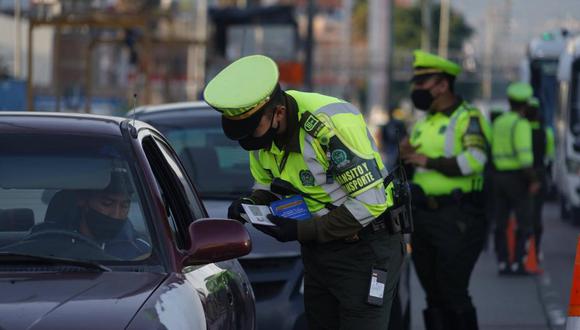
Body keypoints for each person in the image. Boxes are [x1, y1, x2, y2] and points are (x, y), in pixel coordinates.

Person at [203, 54, 405, 329]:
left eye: (252, 130)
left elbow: (370, 203)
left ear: (279, 113)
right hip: (318, 254)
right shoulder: (261, 138)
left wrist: (301, 231)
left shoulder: (329, 125)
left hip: (366, 250)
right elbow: (266, 182)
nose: (248, 140)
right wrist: (250, 203)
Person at [400, 50, 491, 330]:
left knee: (453, 290)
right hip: (423, 217)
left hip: (458, 216)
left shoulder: (468, 117)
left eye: (423, 83)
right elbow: (411, 169)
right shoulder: (423, 122)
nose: (417, 89)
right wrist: (404, 157)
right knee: (434, 294)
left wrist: (428, 160)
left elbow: (476, 160)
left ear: (442, 85)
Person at [41, 169, 151, 259]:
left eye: (124, 206)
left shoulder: (142, 252)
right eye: (107, 203)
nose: (115, 214)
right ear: (82, 200)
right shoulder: (47, 242)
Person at [491, 82, 539, 276]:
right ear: (525, 104)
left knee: (500, 223)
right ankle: (518, 262)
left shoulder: (499, 122)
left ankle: (502, 262)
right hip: (517, 179)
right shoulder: (521, 124)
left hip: (497, 177)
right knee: (524, 221)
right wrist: (534, 180)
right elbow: (525, 158)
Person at [524, 97, 555, 260]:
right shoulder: (546, 132)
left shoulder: (521, 129)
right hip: (539, 173)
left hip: (522, 175)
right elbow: (550, 155)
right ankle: (535, 249)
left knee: (522, 213)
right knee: (537, 214)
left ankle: (522, 249)